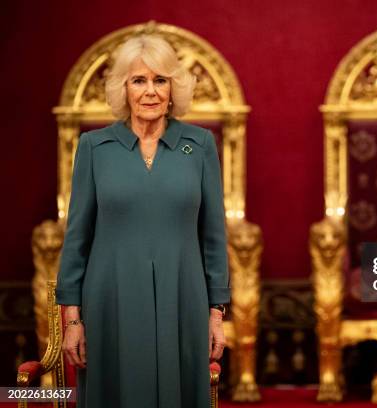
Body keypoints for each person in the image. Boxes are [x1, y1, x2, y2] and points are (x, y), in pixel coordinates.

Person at [55, 35, 229, 408]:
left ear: (173, 88)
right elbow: (77, 238)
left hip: (183, 297)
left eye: (160, 80)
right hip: (109, 299)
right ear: (123, 88)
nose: (150, 91)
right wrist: (72, 321)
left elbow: (213, 236)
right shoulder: (93, 148)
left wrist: (216, 313)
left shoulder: (198, 145)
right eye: (138, 80)